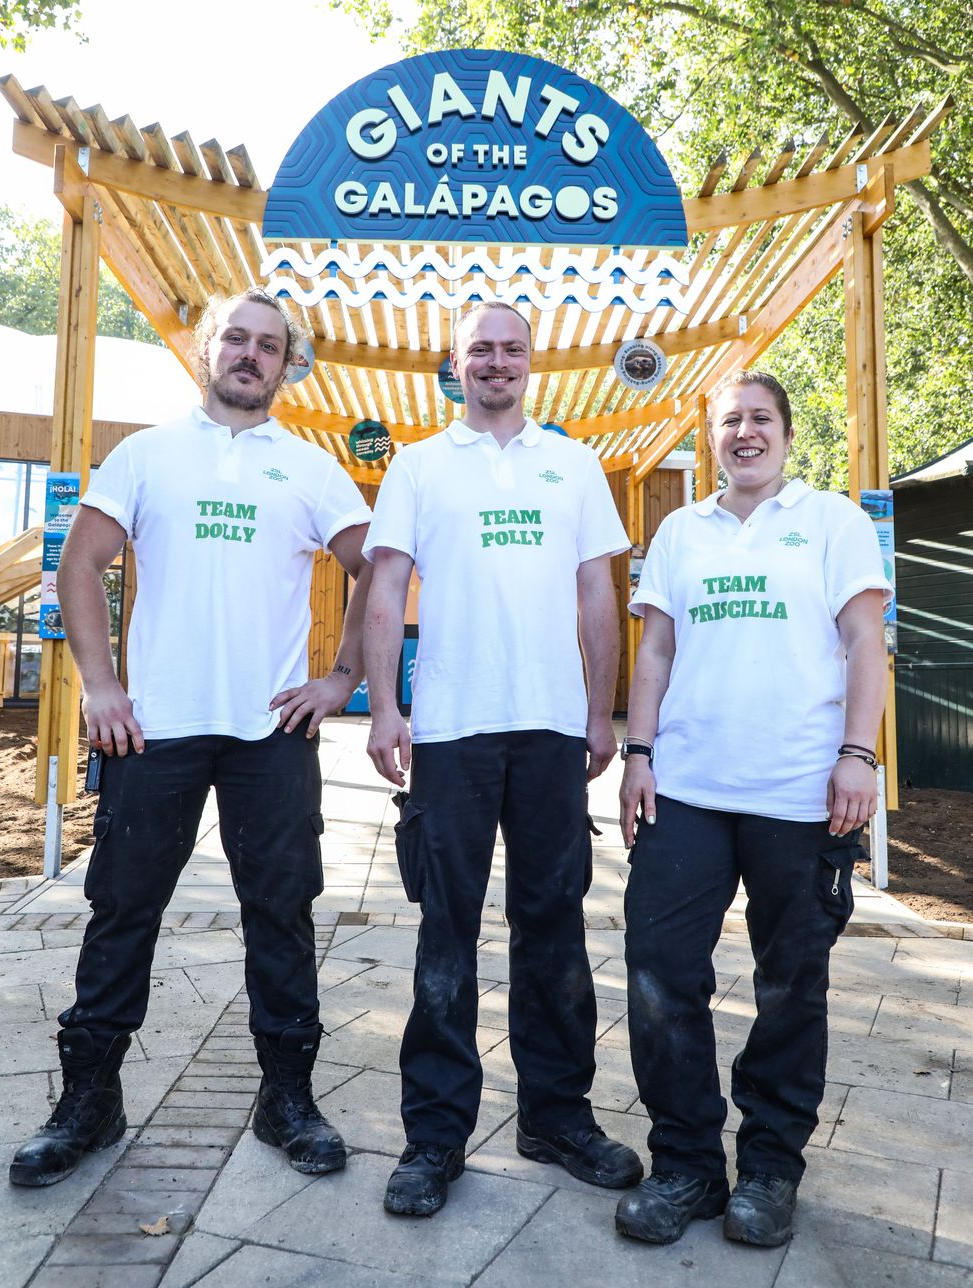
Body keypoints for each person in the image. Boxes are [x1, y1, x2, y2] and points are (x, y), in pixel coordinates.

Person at [10, 288, 373, 1188]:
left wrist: (342, 677)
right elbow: (80, 563)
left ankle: (287, 1099)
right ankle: (89, 1100)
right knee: (122, 911)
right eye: (236, 339)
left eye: (269, 344)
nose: (251, 354)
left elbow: (376, 569)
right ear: (208, 350)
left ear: (288, 364)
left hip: (269, 731)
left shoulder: (312, 468)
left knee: (281, 917)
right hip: (154, 729)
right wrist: (101, 686)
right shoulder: (147, 455)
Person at [363, 302, 644, 1217]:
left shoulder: (573, 465)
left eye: (511, 349)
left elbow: (597, 590)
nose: (496, 362)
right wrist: (386, 706)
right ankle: (434, 1136)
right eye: (480, 349)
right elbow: (385, 587)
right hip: (452, 729)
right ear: (456, 363)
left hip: (551, 728)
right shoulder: (418, 465)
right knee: (446, 932)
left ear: (531, 362)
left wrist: (599, 711)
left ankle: (556, 1118)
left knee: (554, 925)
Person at [615, 370, 890, 1248]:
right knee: (660, 971)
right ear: (711, 437)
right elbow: (656, 652)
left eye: (760, 418)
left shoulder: (832, 521)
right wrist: (638, 754)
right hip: (687, 789)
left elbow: (865, 641)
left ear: (787, 432)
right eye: (729, 420)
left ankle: (770, 1168)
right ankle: (686, 1165)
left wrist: (858, 755)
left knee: (790, 984)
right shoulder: (680, 530)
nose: (745, 432)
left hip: (800, 795)